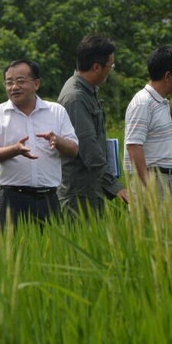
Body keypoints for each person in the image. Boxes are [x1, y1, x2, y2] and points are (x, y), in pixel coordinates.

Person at [0, 60, 79, 228]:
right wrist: (15, 150)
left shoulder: (56, 111)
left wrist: (58, 141)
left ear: (36, 83)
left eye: (20, 81)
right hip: (12, 198)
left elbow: (73, 149)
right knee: (11, 245)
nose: (14, 87)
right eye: (9, 82)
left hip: (48, 198)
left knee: (50, 245)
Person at [57, 34, 129, 217]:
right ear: (97, 67)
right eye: (110, 66)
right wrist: (115, 187)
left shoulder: (88, 92)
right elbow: (88, 147)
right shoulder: (75, 98)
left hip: (91, 189)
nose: (110, 70)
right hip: (78, 195)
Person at [123, 46, 172, 212]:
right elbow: (133, 146)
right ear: (168, 76)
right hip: (154, 181)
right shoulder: (143, 102)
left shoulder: (160, 102)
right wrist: (149, 187)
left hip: (165, 180)